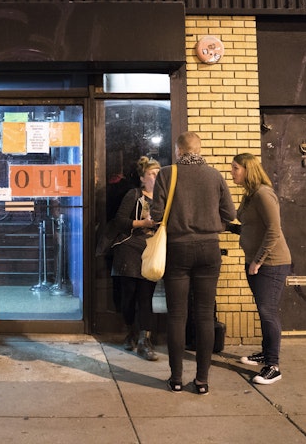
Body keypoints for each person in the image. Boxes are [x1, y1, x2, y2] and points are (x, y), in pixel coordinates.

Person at [152, 132, 235, 395]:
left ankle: (176, 379)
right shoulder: (215, 176)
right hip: (209, 249)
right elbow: (230, 214)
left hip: (177, 248)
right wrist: (212, 224)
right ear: (199, 150)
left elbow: (156, 215)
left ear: (178, 151)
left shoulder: (167, 174)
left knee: (177, 316)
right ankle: (202, 381)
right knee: (204, 315)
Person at [230, 152, 292, 385]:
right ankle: (266, 353)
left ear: (248, 169)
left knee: (268, 311)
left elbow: (274, 230)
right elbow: (249, 227)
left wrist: (258, 261)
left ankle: (273, 366)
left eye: (236, 168)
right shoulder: (250, 195)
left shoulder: (264, 194)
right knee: (263, 309)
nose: (232, 172)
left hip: (272, 263)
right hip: (256, 261)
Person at [107, 156, 162, 360]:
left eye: (158, 174)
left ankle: (144, 341)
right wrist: (142, 224)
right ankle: (130, 331)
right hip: (129, 249)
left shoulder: (163, 198)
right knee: (128, 296)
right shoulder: (134, 194)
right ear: (142, 178)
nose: (156, 177)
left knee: (146, 297)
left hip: (151, 250)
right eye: (152, 174)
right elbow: (120, 220)